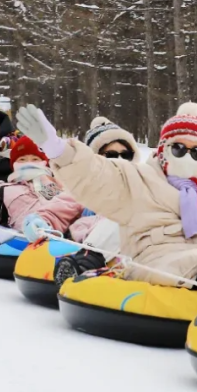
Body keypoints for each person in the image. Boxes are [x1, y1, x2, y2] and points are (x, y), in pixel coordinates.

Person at [15, 102, 197, 293]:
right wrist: (57, 149)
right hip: (157, 258)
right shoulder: (137, 179)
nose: (187, 157)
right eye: (179, 148)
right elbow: (95, 175)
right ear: (164, 150)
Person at [52, 116, 142, 286]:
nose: (119, 160)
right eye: (111, 155)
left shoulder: (140, 186)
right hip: (93, 239)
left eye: (126, 155)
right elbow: (59, 208)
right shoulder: (83, 188)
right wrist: (39, 221)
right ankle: (82, 266)